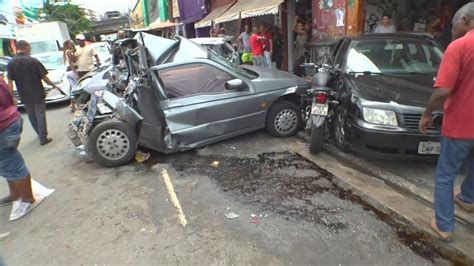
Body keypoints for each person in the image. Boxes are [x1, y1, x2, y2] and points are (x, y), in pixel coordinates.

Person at [419, 2, 474, 242]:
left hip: (461, 126)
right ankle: (468, 199)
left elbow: (442, 91)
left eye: (453, 24)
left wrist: (427, 113)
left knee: (445, 175)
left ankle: (444, 225)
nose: (451, 29)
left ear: (465, 21)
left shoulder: (459, 46)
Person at [0, 78, 45, 221]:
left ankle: (27, 198)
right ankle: (15, 193)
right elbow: (9, 98)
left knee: (10, 162)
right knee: (7, 162)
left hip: (5, 125)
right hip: (10, 120)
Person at [7, 40, 61, 145]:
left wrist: (11, 95)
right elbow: (44, 77)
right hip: (37, 92)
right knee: (40, 115)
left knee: (31, 115)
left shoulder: (11, 63)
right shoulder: (33, 61)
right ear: (26, 47)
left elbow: (10, 81)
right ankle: (43, 137)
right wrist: (53, 85)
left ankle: (39, 134)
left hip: (23, 94)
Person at [63, 40, 77, 110]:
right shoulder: (69, 51)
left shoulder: (66, 52)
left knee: (72, 88)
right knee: (76, 89)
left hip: (68, 72)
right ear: (67, 44)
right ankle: (75, 104)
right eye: (71, 43)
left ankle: (72, 104)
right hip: (71, 71)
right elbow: (72, 62)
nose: (72, 44)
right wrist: (75, 72)